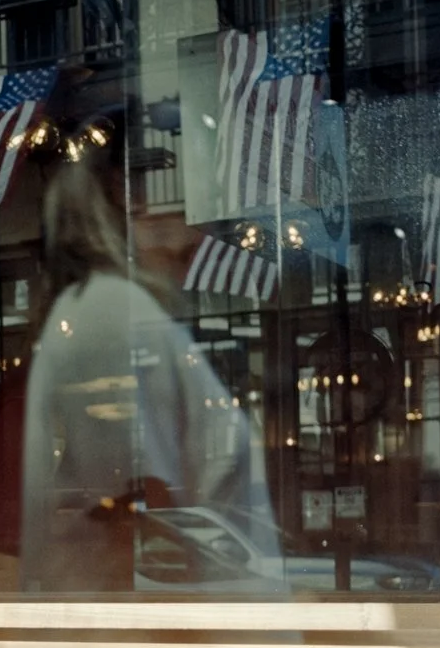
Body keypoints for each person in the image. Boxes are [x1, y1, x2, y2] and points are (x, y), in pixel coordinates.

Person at [20, 161, 276, 594]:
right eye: (158, 202)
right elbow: (145, 517)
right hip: (169, 635)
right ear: (128, 213)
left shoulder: (110, 311)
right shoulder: (112, 314)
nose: (195, 229)